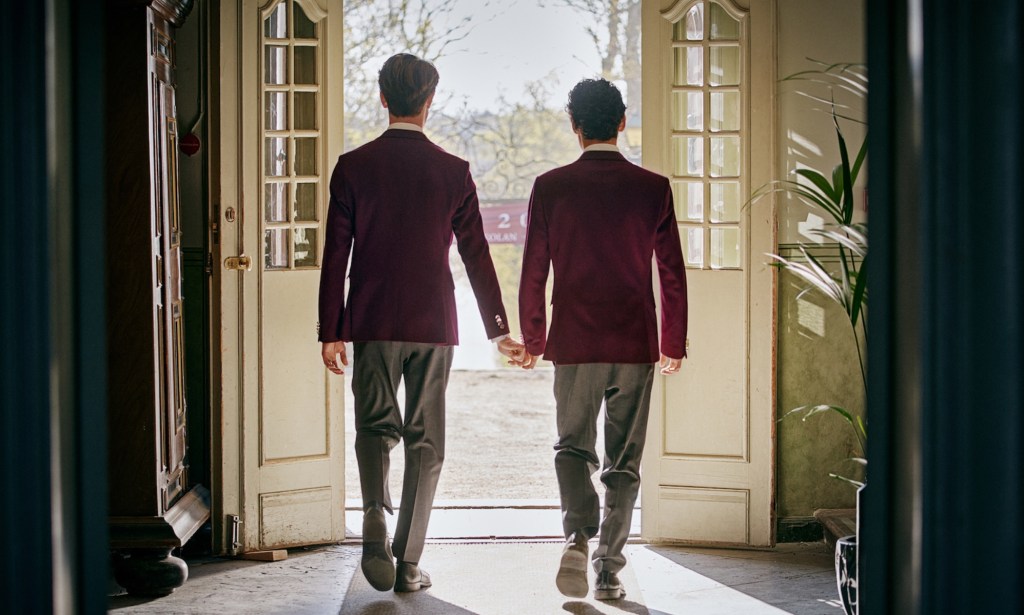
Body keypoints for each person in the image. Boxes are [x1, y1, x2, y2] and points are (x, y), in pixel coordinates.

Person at [318, 53, 526, 593]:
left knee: (374, 426)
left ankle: (372, 518)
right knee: (425, 441)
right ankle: (409, 562)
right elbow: (477, 255)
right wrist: (499, 329)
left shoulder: (353, 166)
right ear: (430, 102)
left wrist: (331, 329)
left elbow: (335, 256)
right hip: (434, 320)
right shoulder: (453, 171)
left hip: (371, 317)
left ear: (383, 99)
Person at [518, 78, 688, 601]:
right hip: (634, 342)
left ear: (574, 127)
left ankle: (576, 535)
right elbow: (672, 273)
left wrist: (533, 337)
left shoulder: (550, 186)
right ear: (621, 122)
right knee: (623, 461)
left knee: (572, 447)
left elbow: (533, 271)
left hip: (573, 342)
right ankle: (608, 570)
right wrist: (673, 341)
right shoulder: (652, 187)